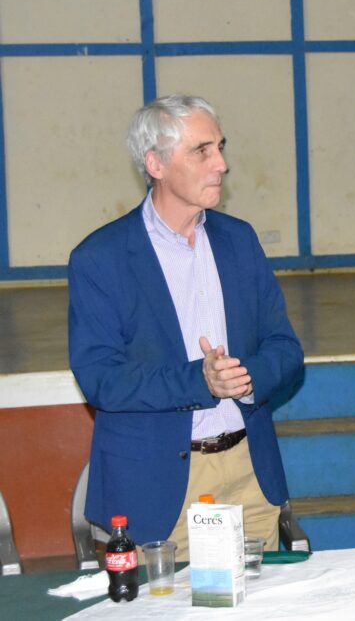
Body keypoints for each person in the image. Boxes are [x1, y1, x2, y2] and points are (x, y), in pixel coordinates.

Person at [69, 95, 304, 558]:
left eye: (220, 146)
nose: (222, 163)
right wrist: (200, 380)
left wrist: (247, 376)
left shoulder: (239, 240)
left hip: (249, 475)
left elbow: (285, 348)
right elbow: (101, 379)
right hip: (158, 489)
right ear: (155, 163)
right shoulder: (100, 258)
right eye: (202, 150)